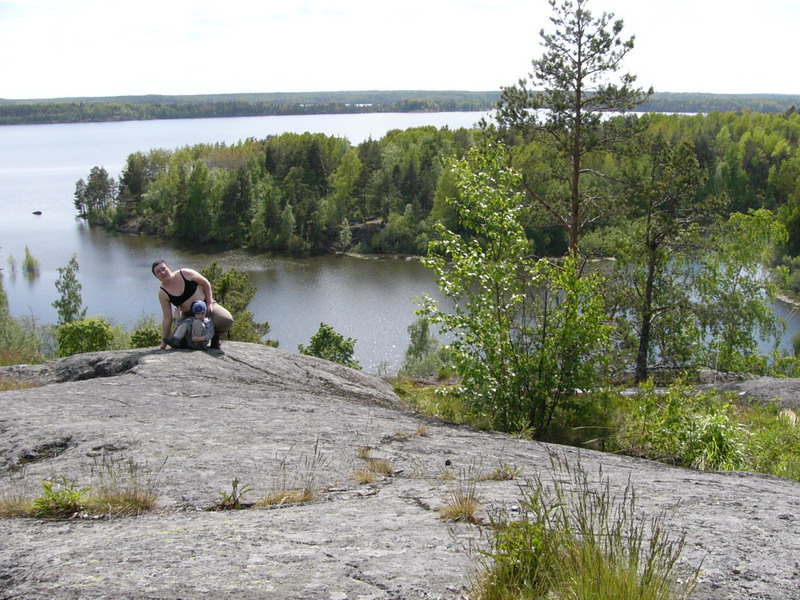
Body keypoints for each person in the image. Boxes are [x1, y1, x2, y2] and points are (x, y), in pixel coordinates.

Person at [151, 260, 233, 350]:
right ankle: (197, 341)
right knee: (177, 340)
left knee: (225, 319)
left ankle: (215, 338)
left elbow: (206, 283)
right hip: (188, 314)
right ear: (156, 277)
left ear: (169, 268)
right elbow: (167, 318)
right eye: (158, 272)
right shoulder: (163, 293)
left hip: (206, 305)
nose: (162, 272)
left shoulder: (185, 273)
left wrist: (209, 302)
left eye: (164, 269)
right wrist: (163, 343)